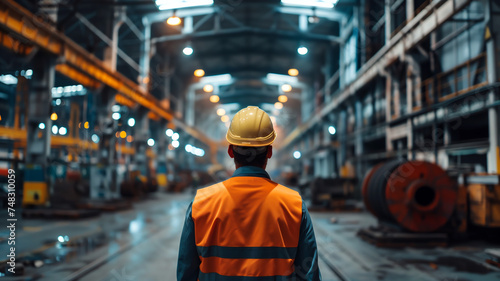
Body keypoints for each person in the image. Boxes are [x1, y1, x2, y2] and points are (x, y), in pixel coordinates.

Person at [177, 106, 321, 281]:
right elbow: (309, 275)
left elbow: (186, 274)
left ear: (230, 151)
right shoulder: (295, 205)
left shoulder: (200, 203)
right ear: (269, 151)